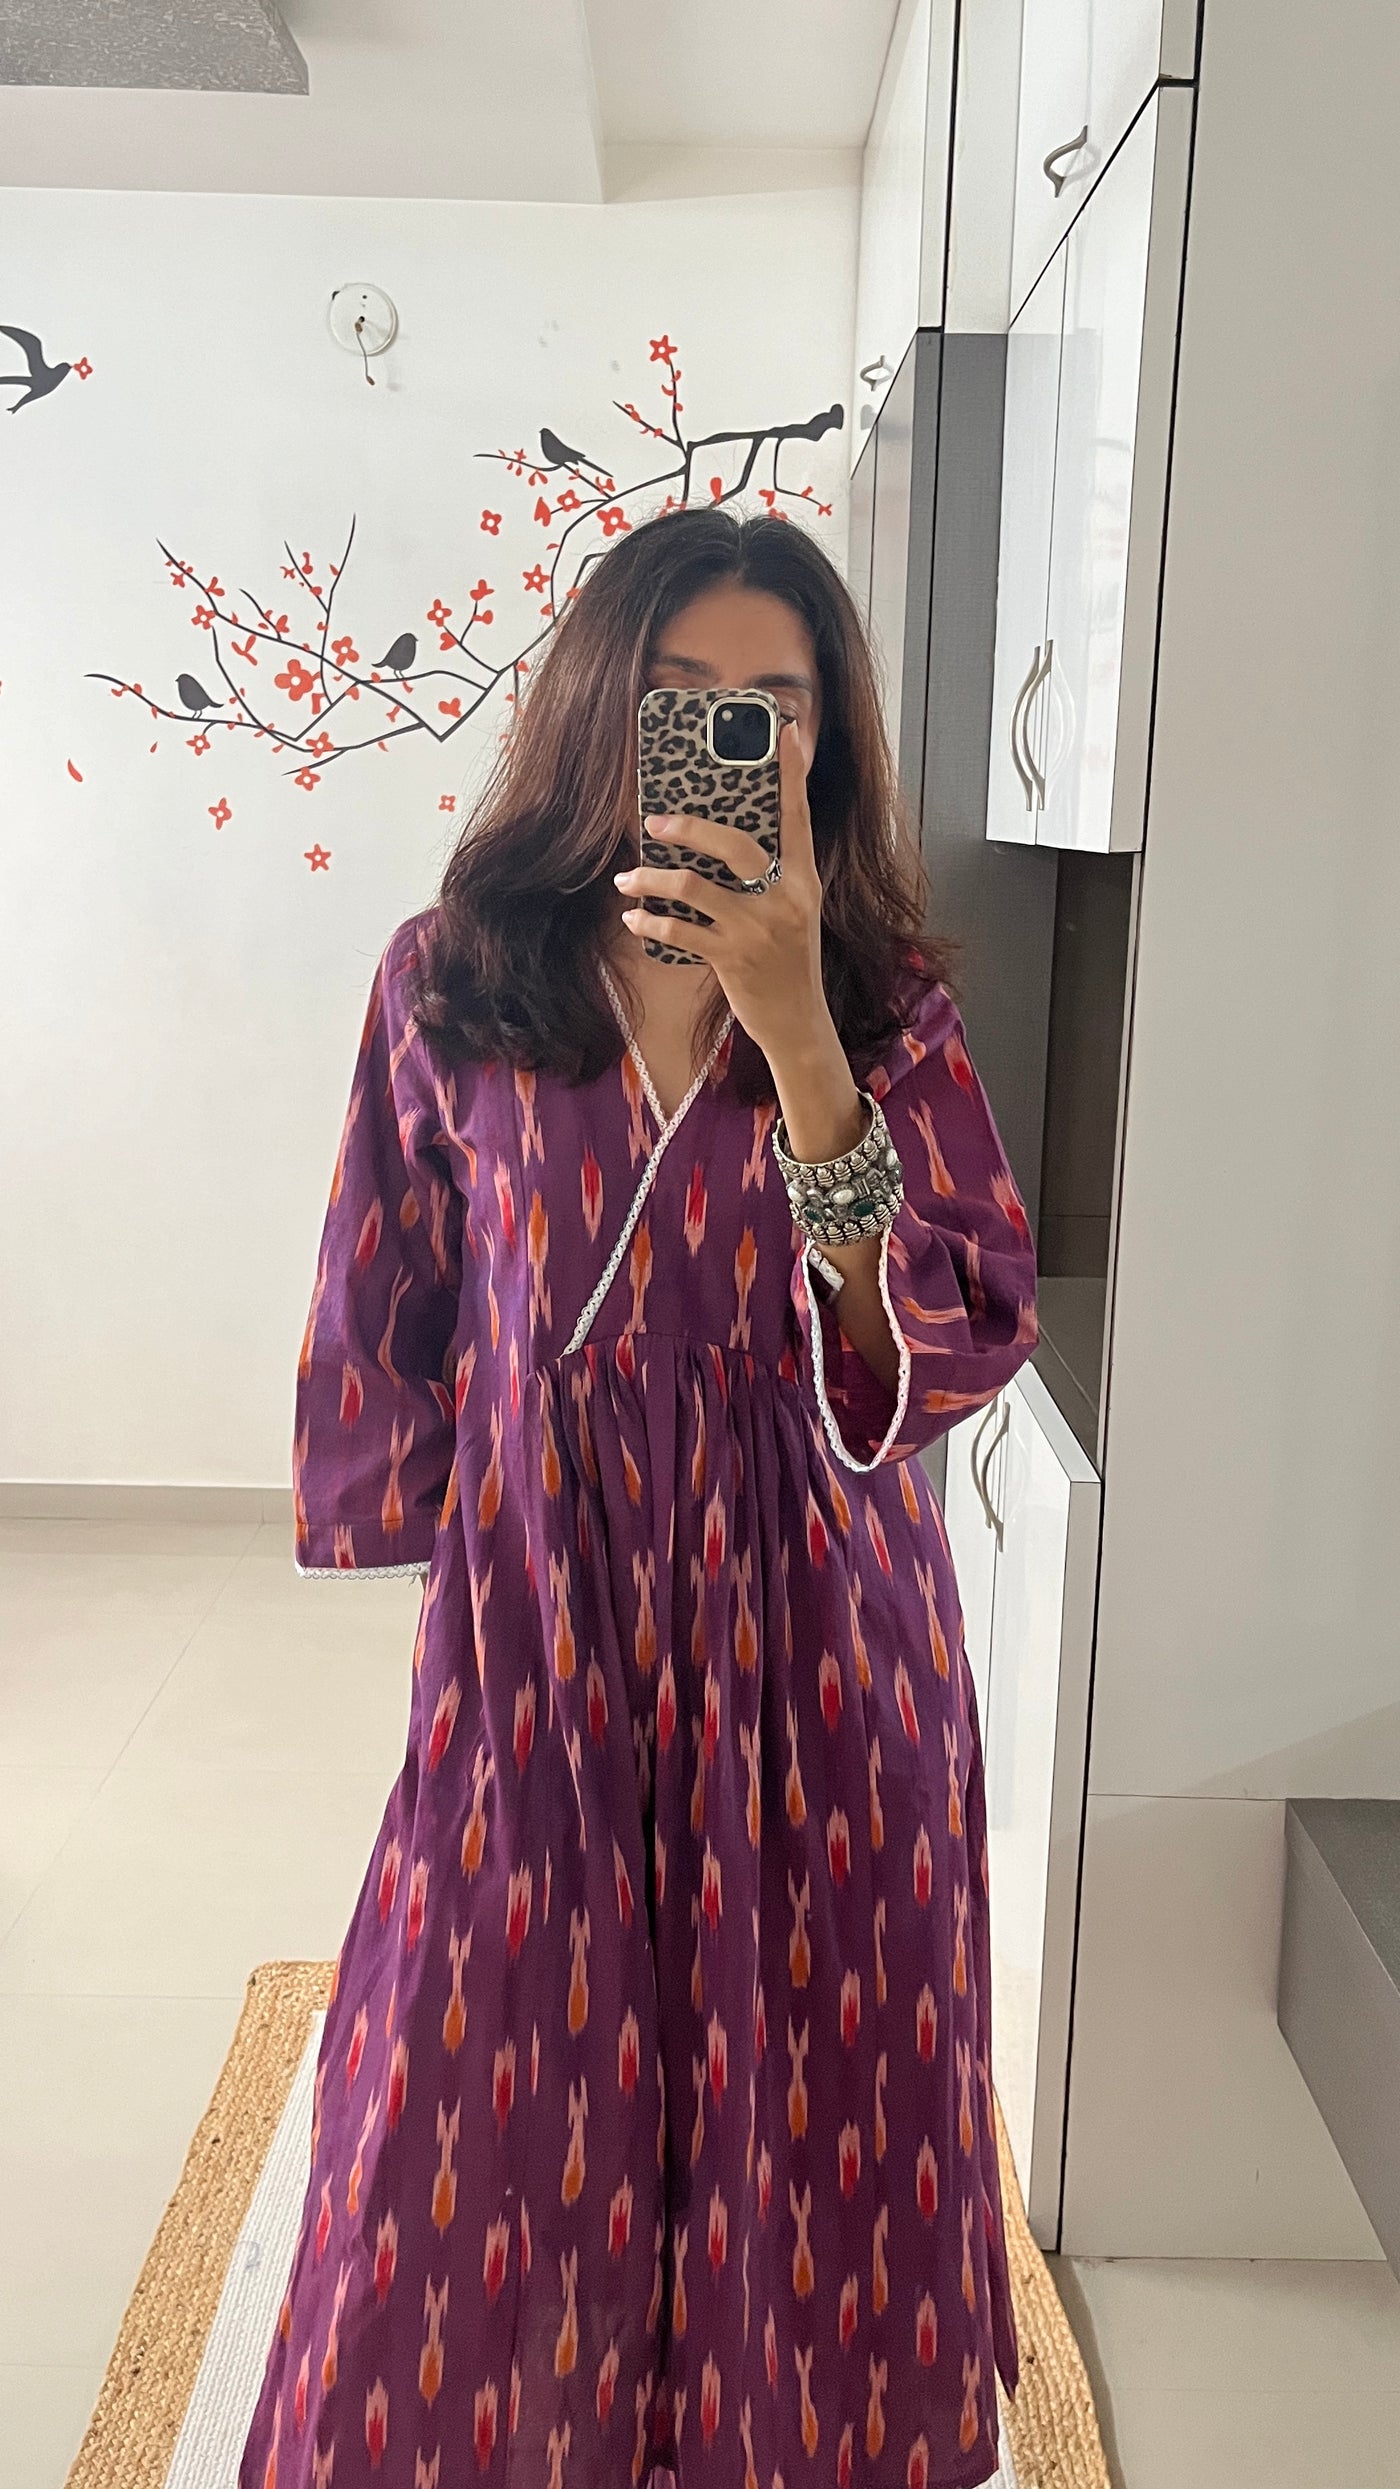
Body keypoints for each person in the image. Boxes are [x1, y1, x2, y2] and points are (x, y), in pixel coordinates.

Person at [238, 506, 1039, 2489]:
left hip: (822, 1642)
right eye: (684, 693)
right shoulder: (452, 979)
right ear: (603, 700)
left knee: (812, 2083)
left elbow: (947, 1337)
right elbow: (388, 1287)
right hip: (546, 1626)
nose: (729, 731)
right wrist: (418, 1511)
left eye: (775, 702)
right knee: (476, 2089)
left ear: (823, 744)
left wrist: (798, 1031)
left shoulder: (885, 1005)